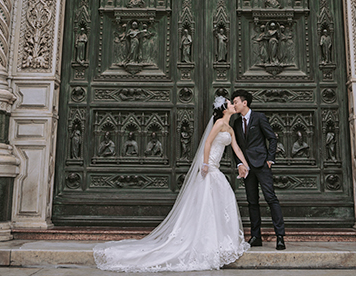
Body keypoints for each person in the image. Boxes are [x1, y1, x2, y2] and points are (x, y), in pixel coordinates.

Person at [94, 96, 251, 272]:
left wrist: (245, 164)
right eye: (230, 103)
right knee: (207, 203)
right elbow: (207, 143)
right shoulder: (219, 123)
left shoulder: (229, 128)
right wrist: (205, 164)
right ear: (224, 109)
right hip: (210, 167)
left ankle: (219, 242)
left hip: (216, 169)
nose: (233, 105)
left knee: (220, 202)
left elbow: (236, 148)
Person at [231, 89, 286, 250]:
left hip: (262, 165)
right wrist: (239, 164)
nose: (234, 105)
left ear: (244, 102)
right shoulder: (235, 123)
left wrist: (270, 159)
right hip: (247, 168)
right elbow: (236, 147)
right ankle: (256, 236)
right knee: (252, 202)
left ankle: (280, 236)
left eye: (235, 102)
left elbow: (272, 138)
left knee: (271, 198)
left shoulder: (259, 118)